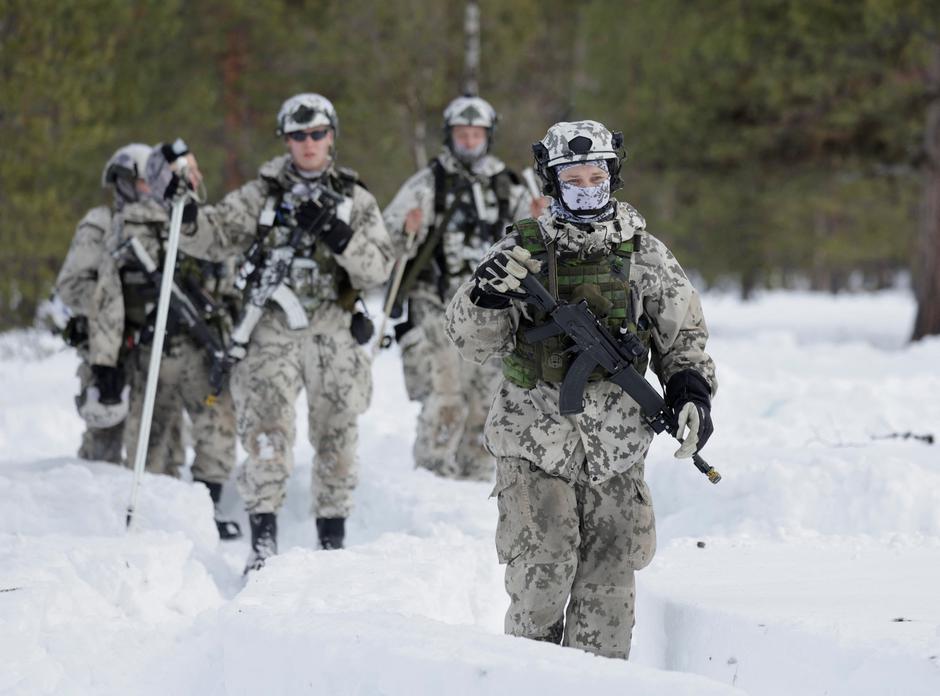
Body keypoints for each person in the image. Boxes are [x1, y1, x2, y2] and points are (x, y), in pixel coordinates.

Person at [444, 120, 717, 659]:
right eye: (573, 177)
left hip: (616, 452)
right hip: (533, 444)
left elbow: (683, 336)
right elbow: (469, 340)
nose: (586, 187)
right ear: (553, 182)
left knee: (608, 604)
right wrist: (486, 296)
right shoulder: (521, 250)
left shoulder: (645, 254)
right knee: (539, 588)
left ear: (612, 178)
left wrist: (691, 391)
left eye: (596, 176)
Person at [178, 93, 394, 572]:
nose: (309, 143)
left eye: (317, 133)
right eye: (298, 136)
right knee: (266, 432)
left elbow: (378, 267)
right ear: (287, 140)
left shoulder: (354, 198)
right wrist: (187, 212)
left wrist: (338, 237)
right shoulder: (263, 194)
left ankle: (332, 542)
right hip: (271, 330)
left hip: (332, 329)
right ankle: (263, 543)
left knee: (338, 434)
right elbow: (214, 234)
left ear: (331, 135)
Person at [382, 95, 542, 481]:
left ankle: (476, 480)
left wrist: (540, 219)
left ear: (488, 136)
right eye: (461, 133)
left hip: (494, 309)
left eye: (476, 134)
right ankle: (432, 479)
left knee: (488, 400)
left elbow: (538, 243)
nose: (469, 141)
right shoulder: (427, 183)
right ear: (449, 136)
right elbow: (386, 241)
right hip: (437, 305)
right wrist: (407, 229)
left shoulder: (511, 184)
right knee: (446, 397)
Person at [88, 140, 242, 539]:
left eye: (192, 172)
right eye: (180, 174)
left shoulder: (204, 225)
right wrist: (104, 364)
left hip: (201, 351)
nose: (191, 179)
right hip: (149, 348)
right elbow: (108, 299)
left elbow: (230, 286)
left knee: (216, 429)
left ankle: (208, 511)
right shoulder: (129, 227)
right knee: (150, 440)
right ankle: (153, 520)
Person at [54, 143, 181, 468]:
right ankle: (93, 511)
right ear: (124, 181)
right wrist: (110, 301)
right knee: (103, 445)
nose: (150, 188)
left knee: (161, 445)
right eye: (143, 181)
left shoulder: (170, 223)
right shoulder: (101, 223)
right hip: (108, 352)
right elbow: (70, 286)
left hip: (157, 349)